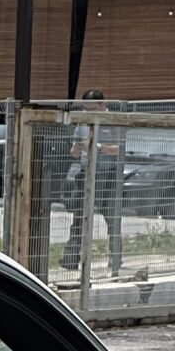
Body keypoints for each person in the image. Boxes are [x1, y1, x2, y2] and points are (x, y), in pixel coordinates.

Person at [59, 88, 123, 275]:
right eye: (86, 109)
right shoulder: (82, 123)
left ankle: (116, 258)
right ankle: (71, 259)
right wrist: (79, 146)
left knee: (111, 217)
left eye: (92, 108)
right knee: (79, 216)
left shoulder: (113, 122)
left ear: (103, 105)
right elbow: (74, 152)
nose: (88, 112)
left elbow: (119, 149)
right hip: (85, 172)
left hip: (107, 174)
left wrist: (97, 146)